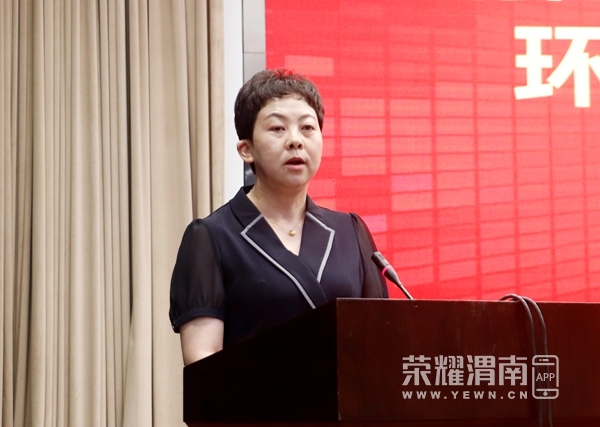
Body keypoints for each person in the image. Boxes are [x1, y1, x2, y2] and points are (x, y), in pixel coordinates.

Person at [169, 68, 388, 366]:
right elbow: (203, 361)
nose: (295, 141)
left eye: (307, 128)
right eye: (277, 128)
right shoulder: (211, 237)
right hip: (255, 397)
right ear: (246, 150)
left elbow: (379, 340)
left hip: (346, 397)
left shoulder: (350, 231)